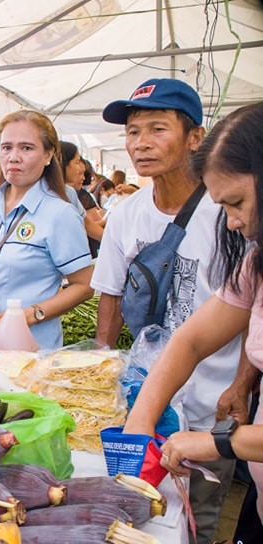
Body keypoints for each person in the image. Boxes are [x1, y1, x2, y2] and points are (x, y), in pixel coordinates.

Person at [95, 78, 243, 543]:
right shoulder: (126, 214)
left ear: (195, 138)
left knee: (195, 515)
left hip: (208, 404)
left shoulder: (228, 213)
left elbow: (245, 312)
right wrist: (100, 367)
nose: (140, 144)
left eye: (157, 129)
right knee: (140, 513)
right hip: (144, 400)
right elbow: (110, 298)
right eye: (133, 132)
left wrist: (243, 383)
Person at [130, 101, 263, 528]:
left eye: (237, 202)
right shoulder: (256, 263)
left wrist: (221, 443)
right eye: (222, 206)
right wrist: (139, 422)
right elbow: (190, 340)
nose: (231, 223)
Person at [0, 110, 93, 350]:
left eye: (26, 148)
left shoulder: (59, 214)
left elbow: (84, 285)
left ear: (48, 155)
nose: (14, 157)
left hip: (27, 352)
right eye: (6, 147)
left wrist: (32, 314)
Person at [61, 141, 104, 257]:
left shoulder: (69, 192)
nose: (80, 167)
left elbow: (88, 225)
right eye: (77, 162)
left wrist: (117, 244)